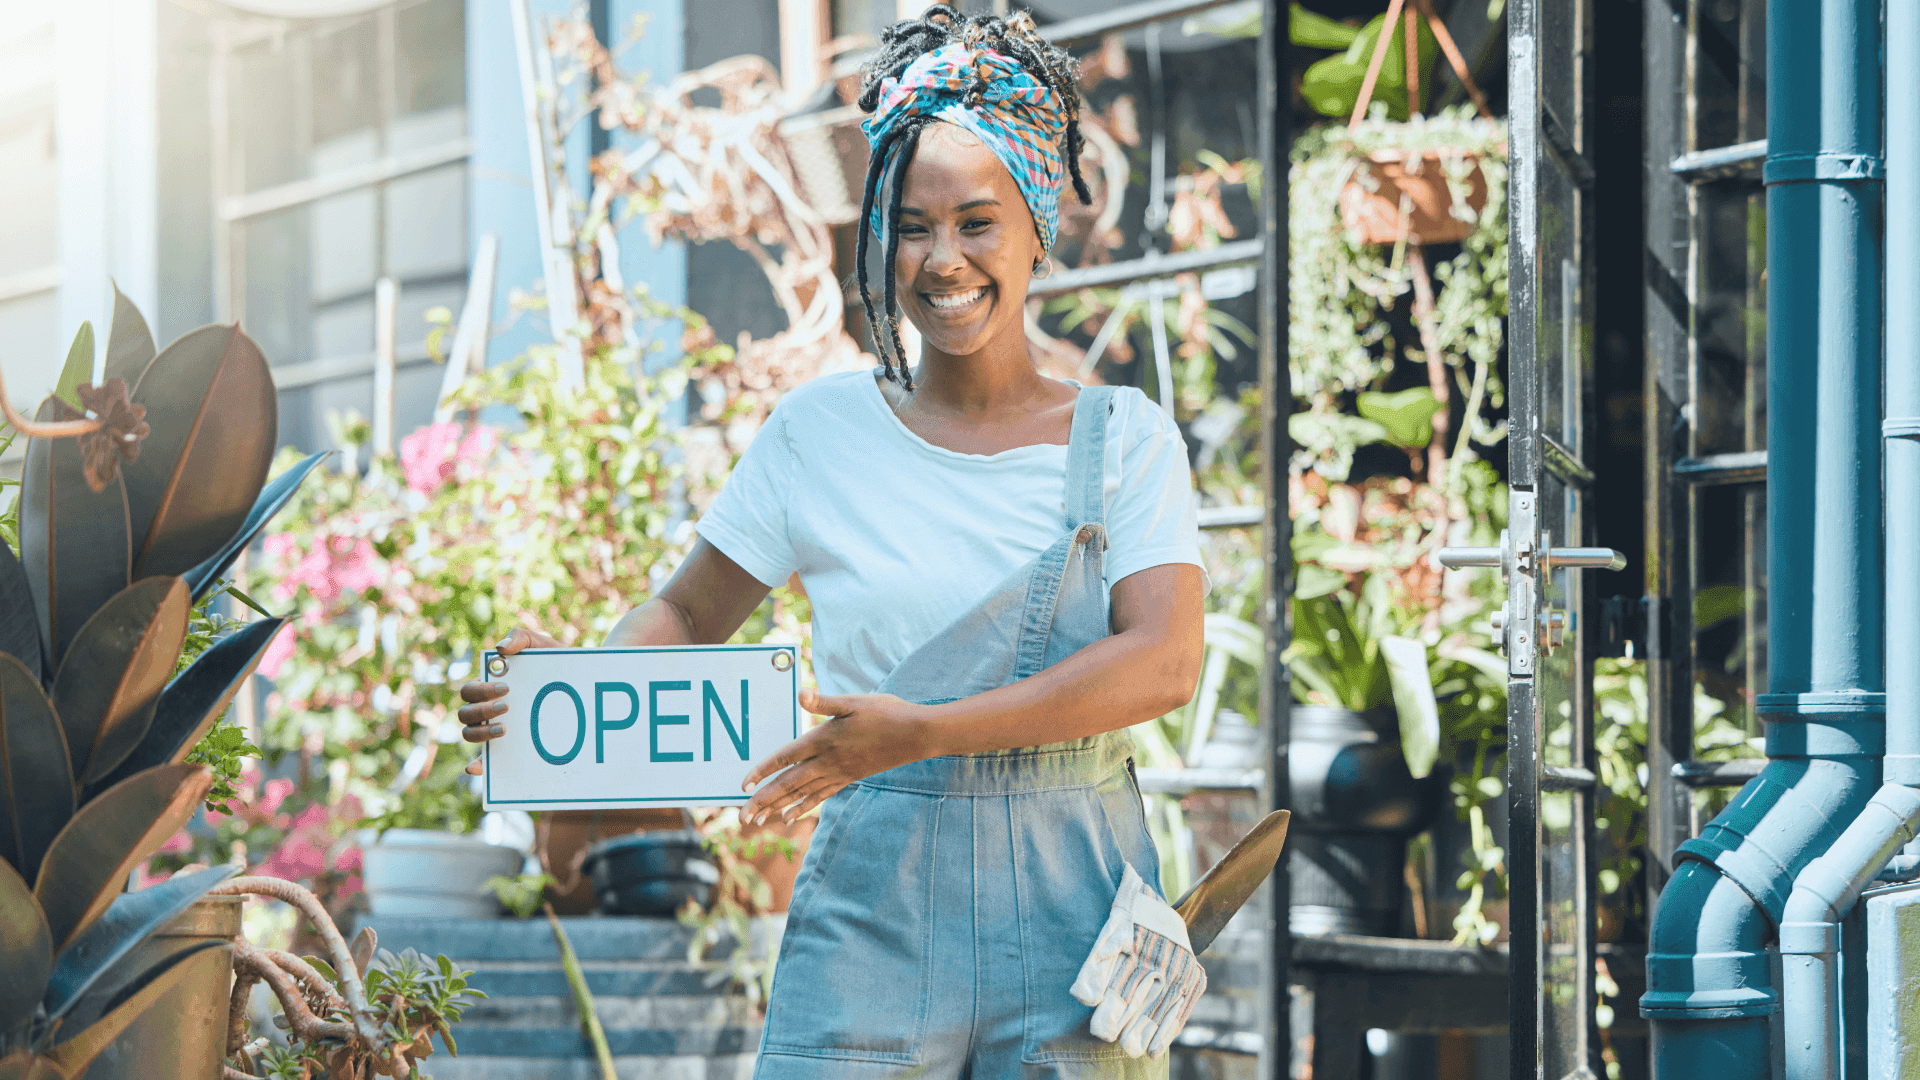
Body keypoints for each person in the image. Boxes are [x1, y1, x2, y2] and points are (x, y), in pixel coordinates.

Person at [458, 6, 1208, 1074]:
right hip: (875, 917)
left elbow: (1163, 660)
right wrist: (568, 695)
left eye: (977, 222)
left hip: (1076, 919)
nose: (942, 259)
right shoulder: (820, 433)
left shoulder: (1124, 441)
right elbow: (686, 612)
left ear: (1039, 222)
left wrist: (926, 733)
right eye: (909, 225)